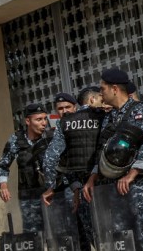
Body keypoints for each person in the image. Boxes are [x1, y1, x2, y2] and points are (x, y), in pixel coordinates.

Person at [82, 69, 143, 250]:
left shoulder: (139, 112)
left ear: (115, 89)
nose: (101, 93)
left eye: (103, 89)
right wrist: (93, 177)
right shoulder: (110, 117)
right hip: (114, 188)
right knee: (122, 239)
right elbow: (103, 151)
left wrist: (131, 175)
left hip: (137, 186)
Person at [41, 92, 100, 250]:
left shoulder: (71, 125)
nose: (64, 111)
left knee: (98, 235)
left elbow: (50, 158)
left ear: (75, 107)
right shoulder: (62, 128)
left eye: (68, 107)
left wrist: (50, 186)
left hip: (95, 187)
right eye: (60, 108)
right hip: (77, 190)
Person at [0, 103, 51, 233]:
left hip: (52, 194)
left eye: (44, 118)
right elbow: (2, 164)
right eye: (38, 119)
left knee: (59, 235)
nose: (43, 123)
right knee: (33, 235)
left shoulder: (51, 137)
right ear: (27, 121)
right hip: (29, 196)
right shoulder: (17, 140)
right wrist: (3, 185)